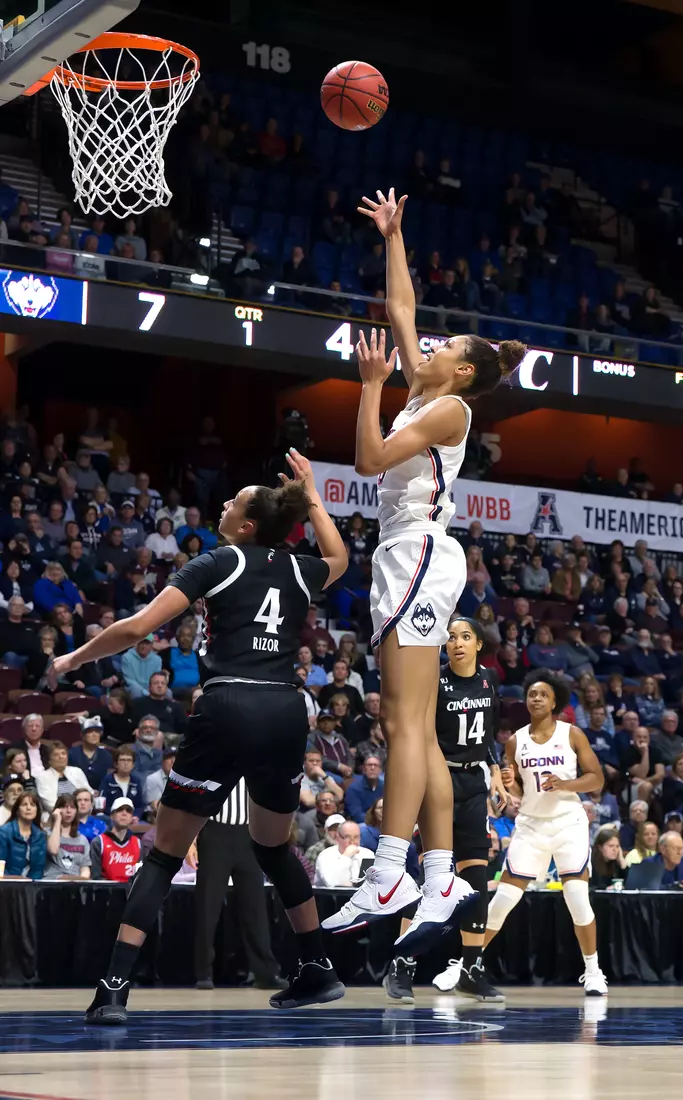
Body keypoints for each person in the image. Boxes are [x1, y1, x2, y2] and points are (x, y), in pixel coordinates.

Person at [50, 449, 348, 1022]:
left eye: (235, 502)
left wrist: (73, 658)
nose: (225, 504)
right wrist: (312, 494)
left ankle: (113, 988)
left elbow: (138, 627)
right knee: (273, 846)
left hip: (229, 703)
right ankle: (318, 967)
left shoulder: (218, 561)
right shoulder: (298, 568)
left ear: (248, 525)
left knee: (165, 851)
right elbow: (337, 556)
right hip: (286, 710)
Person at [326, 197, 526, 947]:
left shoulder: (450, 413)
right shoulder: (425, 388)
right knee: (404, 725)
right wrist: (395, 236)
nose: (430, 346)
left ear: (463, 369)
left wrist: (368, 385)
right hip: (402, 554)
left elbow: (368, 460)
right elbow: (403, 309)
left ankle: (389, 874)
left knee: (405, 721)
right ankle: (439, 874)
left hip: (417, 551)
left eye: (446, 346)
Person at [385, 616, 511, 1003]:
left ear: (478, 645)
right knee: (432, 881)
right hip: (437, 781)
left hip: (473, 785)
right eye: (451, 637)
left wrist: (495, 770)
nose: (457, 643)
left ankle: (471, 969)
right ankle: (401, 965)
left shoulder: (489, 681)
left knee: (476, 883)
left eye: (465, 636)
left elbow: (487, 734)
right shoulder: (434, 681)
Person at [482, 670, 608, 995]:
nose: (536, 698)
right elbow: (517, 790)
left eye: (543, 694)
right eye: (532, 694)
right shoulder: (515, 741)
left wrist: (565, 783)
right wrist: (509, 783)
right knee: (503, 899)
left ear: (554, 703)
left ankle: (593, 971)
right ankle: (466, 964)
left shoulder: (572, 734)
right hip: (531, 824)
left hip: (568, 822)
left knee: (577, 897)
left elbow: (596, 778)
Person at [194, 778, 285, 991]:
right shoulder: (211, 762)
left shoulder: (257, 764)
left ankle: (266, 973)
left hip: (249, 834)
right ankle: (203, 972)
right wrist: (190, 838)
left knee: (255, 908)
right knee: (208, 906)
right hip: (215, 832)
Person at [90, 797, 142, 881]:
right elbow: (96, 876)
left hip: (131, 888)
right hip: (107, 889)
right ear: (112, 816)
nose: (124, 813)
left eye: (128, 811)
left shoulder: (138, 843)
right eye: (120, 810)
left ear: (132, 817)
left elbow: (140, 875)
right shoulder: (99, 842)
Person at [44, 793, 92, 879]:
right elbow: (53, 850)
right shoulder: (46, 833)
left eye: (72, 807)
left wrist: (82, 880)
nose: (69, 811)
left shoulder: (82, 839)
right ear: (57, 810)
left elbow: (85, 867)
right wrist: (57, 820)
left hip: (75, 882)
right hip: (52, 881)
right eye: (64, 807)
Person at [314, 819, 373, 887]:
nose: (352, 842)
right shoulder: (325, 856)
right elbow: (333, 883)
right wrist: (346, 856)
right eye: (347, 837)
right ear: (338, 837)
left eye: (356, 837)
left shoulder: (368, 854)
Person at [0, 791, 46, 879]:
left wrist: (31, 883)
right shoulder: (4, 832)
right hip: (8, 883)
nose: (28, 808)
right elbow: (0, 866)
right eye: (24, 805)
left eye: (32, 805)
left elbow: (38, 869)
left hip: (31, 884)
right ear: (17, 810)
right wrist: (15, 881)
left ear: (37, 810)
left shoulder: (40, 835)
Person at [36, 742, 90, 814]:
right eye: (56, 755)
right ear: (49, 760)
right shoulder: (42, 777)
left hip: (81, 814)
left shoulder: (77, 771)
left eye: (63, 753)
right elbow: (50, 804)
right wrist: (69, 812)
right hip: (56, 816)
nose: (61, 757)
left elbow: (89, 794)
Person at [68, 717, 115, 792]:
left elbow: (108, 779)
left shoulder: (107, 756)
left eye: (97, 732)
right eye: (90, 732)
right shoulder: (72, 754)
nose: (94, 735)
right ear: (83, 735)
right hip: (77, 793)